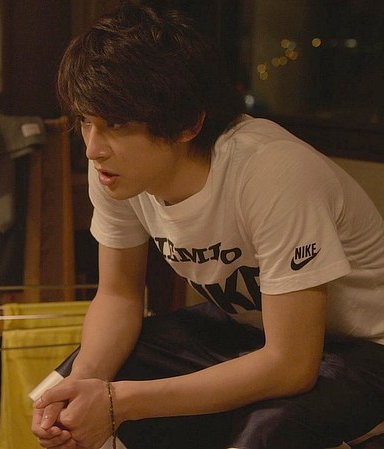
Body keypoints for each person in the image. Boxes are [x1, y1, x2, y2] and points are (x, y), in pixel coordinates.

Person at [31, 3, 384, 449]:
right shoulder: (116, 170)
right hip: (254, 329)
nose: (93, 148)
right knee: (72, 387)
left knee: (266, 430)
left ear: (187, 123)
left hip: (364, 348)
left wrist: (120, 402)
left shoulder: (272, 172)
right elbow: (119, 295)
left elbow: (292, 364)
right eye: (86, 121)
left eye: (116, 124)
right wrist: (84, 385)